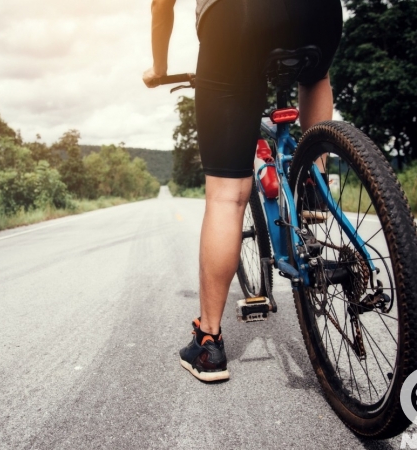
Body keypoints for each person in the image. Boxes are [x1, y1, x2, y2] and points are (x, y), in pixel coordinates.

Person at [143, 0, 343, 382]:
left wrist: (159, 69)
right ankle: (314, 185)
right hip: (318, 13)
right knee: (316, 74)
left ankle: (208, 343)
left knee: (226, 195)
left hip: (237, 17)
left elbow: (160, 5)